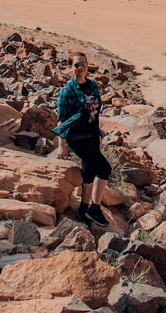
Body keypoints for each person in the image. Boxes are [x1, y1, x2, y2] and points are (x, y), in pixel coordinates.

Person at [54, 52, 111, 227]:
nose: (80, 68)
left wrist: (98, 134)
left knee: (89, 171)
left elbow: (95, 112)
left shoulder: (93, 85)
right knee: (105, 169)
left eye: (83, 64)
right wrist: (61, 145)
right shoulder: (67, 91)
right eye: (77, 65)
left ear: (88, 66)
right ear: (71, 68)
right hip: (76, 137)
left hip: (91, 134)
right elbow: (62, 119)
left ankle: (83, 208)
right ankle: (95, 208)